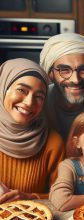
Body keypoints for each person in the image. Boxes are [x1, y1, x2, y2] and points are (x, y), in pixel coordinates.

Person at [0, 58, 65, 202]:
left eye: (39, 97)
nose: (29, 102)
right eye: (22, 90)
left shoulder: (53, 143)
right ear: (3, 87)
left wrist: (29, 197)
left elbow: (61, 197)